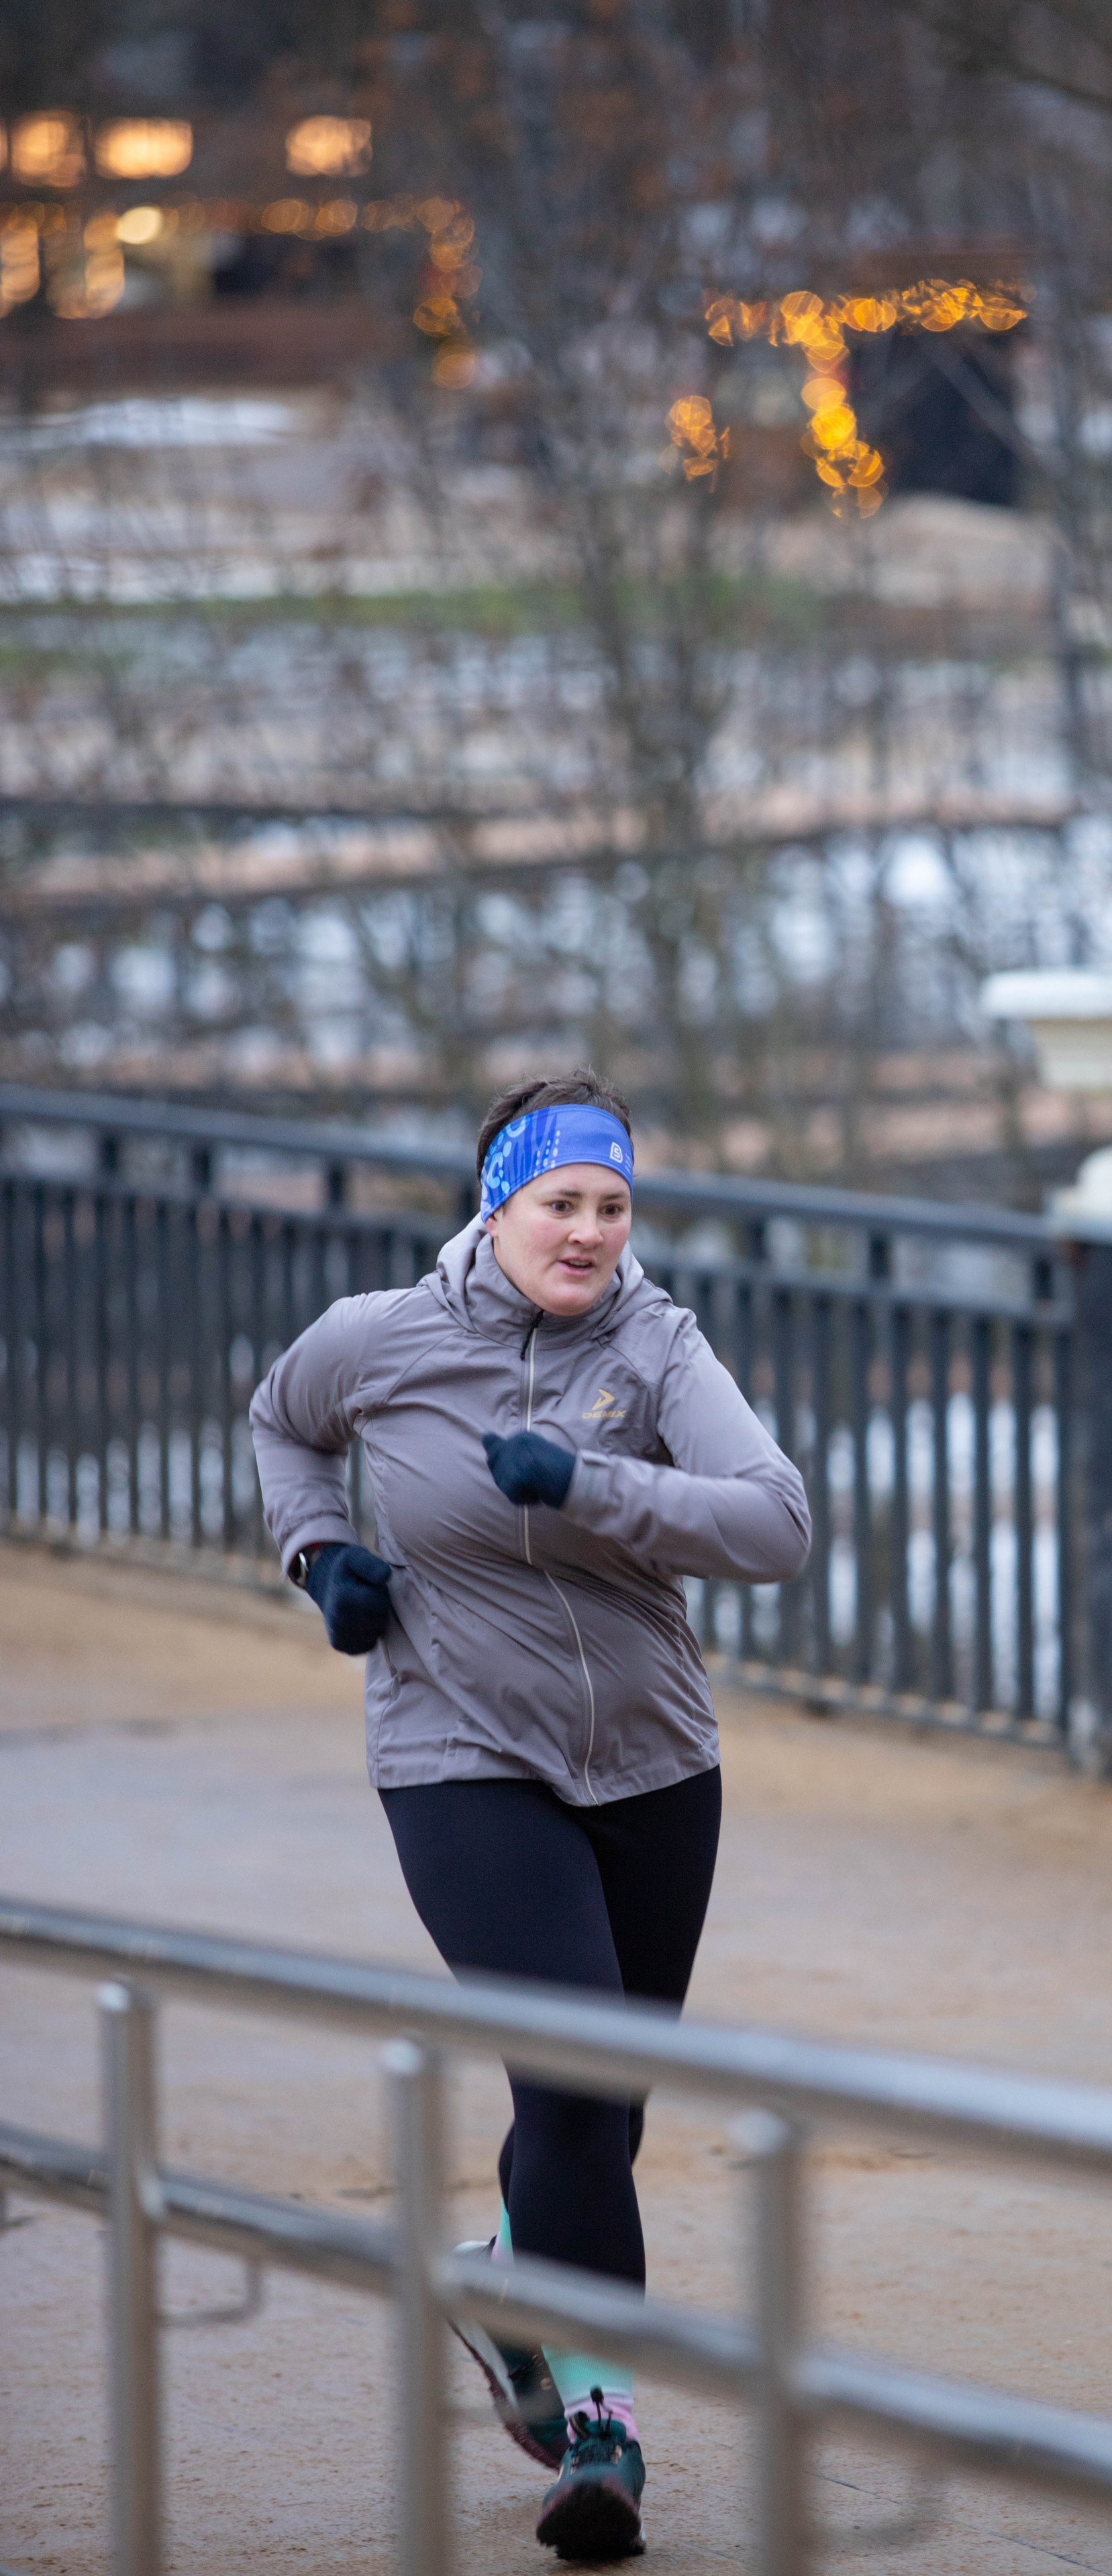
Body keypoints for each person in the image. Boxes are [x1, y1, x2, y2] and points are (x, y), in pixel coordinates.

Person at [250, 1069, 811, 2564]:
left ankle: (501, 2280)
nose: (588, 1235)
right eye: (559, 1204)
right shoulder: (383, 1339)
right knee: (571, 2068)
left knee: (600, 2108)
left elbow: (773, 1519)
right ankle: (603, 2423)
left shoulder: (657, 1340)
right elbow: (278, 1422)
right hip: (457, 1753)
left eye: (612, 1207)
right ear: (495, 1206)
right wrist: (321, 1558)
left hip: (654, 1762)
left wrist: (593, 1485)